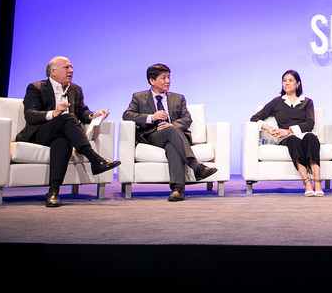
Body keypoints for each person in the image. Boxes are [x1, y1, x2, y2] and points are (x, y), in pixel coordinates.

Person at [15, 56, 120, 207]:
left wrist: (93, 115)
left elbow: (82, 112)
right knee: (68, 117)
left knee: (62, 141)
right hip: (39, 133)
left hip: (61, 133)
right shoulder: (36, 88)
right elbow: (30, 115)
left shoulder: (75, 90)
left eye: (71, 68)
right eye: (66, 68)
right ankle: (95, 159)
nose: (71, 71)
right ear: (53, 72)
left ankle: (53, 192)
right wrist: (54, 113)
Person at [122, 63, 217, 202]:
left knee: (172, 145)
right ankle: (196, 166)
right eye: (163, 78)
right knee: (171, 132)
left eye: (169, 77)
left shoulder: (178, 98)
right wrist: (151, 117)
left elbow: (187, 119)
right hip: (153, 136)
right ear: (152, 81)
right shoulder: (139, 97)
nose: (168, 81)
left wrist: (171, 124)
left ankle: (178, 189)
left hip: (175, 137)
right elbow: (127, 115)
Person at [251, 70, 323, 197]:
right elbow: (255, 118)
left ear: (298, 84)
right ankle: (307, 182)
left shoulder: (307, 102)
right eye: (284, 80)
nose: (287, 83)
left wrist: (289, 130)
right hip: (286, 138)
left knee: (311, 138)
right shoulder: (277, 102)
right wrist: (268, 128)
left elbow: (310, 123)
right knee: (293, 140)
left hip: (303, 134)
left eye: (290, 80)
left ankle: (317, 183)